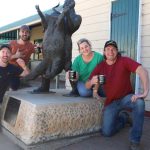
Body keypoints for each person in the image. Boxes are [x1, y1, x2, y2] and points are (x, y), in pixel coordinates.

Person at [85, 40, 149, 150]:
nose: (111, 51)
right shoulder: (100, 66)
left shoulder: (124, 61)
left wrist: (145, 92)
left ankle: (135, 141)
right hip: (111, 102)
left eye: (113, 49)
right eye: (108, 49)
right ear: (104, 52)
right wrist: (91, 83)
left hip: (126, 98)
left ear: (117, 51)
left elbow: (142, 71)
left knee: (139, 103)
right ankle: (124, 118)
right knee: (107, 132)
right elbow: (86, 85)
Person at [9, 25, 35, 90]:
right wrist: (15, 56)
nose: (24, 33)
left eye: (27, 32)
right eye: (22, 32)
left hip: (21, 73)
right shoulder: (12, 43)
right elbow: (3, 58)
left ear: (29, 34)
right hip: (9, 70)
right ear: (19, 33)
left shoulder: (31, 46)